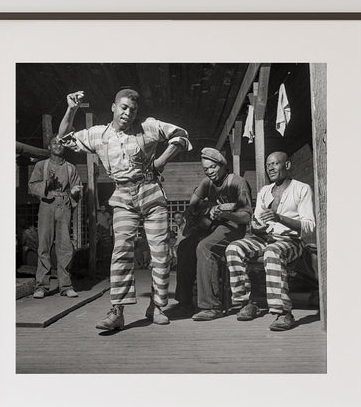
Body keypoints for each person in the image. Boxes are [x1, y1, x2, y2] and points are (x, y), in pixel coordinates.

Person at [56, 88, 192, 334]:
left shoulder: (148, 127)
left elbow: (181, 136)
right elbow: (63, 137)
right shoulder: (98, 135)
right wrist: (71, 108)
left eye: (133, 110)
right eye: (124, 107)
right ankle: (117, 311)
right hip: (122, 196)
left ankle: (157, 307)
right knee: (121, 251)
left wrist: (161, 160)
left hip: (151, 193)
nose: (128, 113)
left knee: (160, 253)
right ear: (113, 107)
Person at [225, 151, 316, 331]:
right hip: (265, 238)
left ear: (287, 165)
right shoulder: (265, 191)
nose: (270, 168)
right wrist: (256, 225)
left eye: (274, 164)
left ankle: (283, 312)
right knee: (234, 248)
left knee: (272, 251)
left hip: (291, 241)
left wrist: (279, 218)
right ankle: (246, 303)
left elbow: (309, 226)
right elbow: (258, 220)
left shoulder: (302, 189)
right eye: (268, 165)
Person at [175, 148, 253, 321]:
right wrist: (207, 208)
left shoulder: (238, 182)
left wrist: (226, 214)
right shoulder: (206, 183)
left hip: (233, 228)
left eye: (213, 167)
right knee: (185, 246)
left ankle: (211, 306)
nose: (209, 172)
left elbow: (246, 216)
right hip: (212, 228)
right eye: (206, 169)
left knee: (205, 247)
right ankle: (184, 303)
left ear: (223, 165)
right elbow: (192, 207)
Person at [27, 136, 84, 298]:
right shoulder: (41, 165)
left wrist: (75, 192)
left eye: (60, 143)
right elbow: (32, 186)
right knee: (44, 245)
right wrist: (47, 185)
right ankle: (41, 287)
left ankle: (65, 286)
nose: (58, 145)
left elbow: (77, 186)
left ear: (64, 147)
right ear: (49, 147)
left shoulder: (71, 168)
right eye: (54, 143)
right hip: (46, 204)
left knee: (65, 247)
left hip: (64, 205)